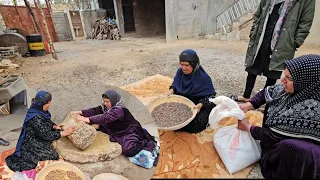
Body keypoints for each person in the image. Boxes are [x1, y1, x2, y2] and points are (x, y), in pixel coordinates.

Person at [237, 54, 320, 178]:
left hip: (302, 152)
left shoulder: (312, 108)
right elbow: (268, 92)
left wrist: (249, 128)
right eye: (284, 75)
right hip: (278, 137)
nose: (282, 81)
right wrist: (249, 104)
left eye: (289, 78)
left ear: (306, 81)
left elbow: (273, 135)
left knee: (294, 148)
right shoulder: (299, 87)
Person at [231, 0, 315, 102]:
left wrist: (296, 41)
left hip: (284, 38)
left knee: (274, 70)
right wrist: (254, 31)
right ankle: (246, 95)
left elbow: (306, 21)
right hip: (264, 33)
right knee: (253, 65)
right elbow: (259, 13)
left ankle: (264, 100)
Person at [72, 90, 159, 168]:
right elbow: (96, 110)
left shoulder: (119, 110)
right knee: (100, 127)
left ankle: (145, 142)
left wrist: (86, 119)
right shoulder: (107, 107)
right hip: (117, 130)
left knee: (128, 151)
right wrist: (80, 112)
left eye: (107, 101)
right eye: (104, 101)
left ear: (113, 100)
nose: (105, 103)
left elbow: (105, 118)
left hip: (129, 131)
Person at [5, 91, 76, 172]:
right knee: (51, 155)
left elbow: (46, 122)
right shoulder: (36, 117)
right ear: (42, 103)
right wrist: (65, 133)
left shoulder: (39, 109)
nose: (49, 105)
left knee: (52, 153)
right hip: (32, 141)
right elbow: (46, 135)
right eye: (48, 103)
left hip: (38, 136)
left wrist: (54, 126)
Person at [167, 49, 216, 133]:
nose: (183, 68)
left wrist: (200, 105)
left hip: (199, 104)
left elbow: (211, 97)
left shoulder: (203, 78)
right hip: (184, 100)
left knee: (195, 124)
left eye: (187, 65)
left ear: (194, 65)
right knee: (169, 116)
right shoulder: (180, 72)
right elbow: (175, 83)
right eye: (181, 64)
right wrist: (171, 90)